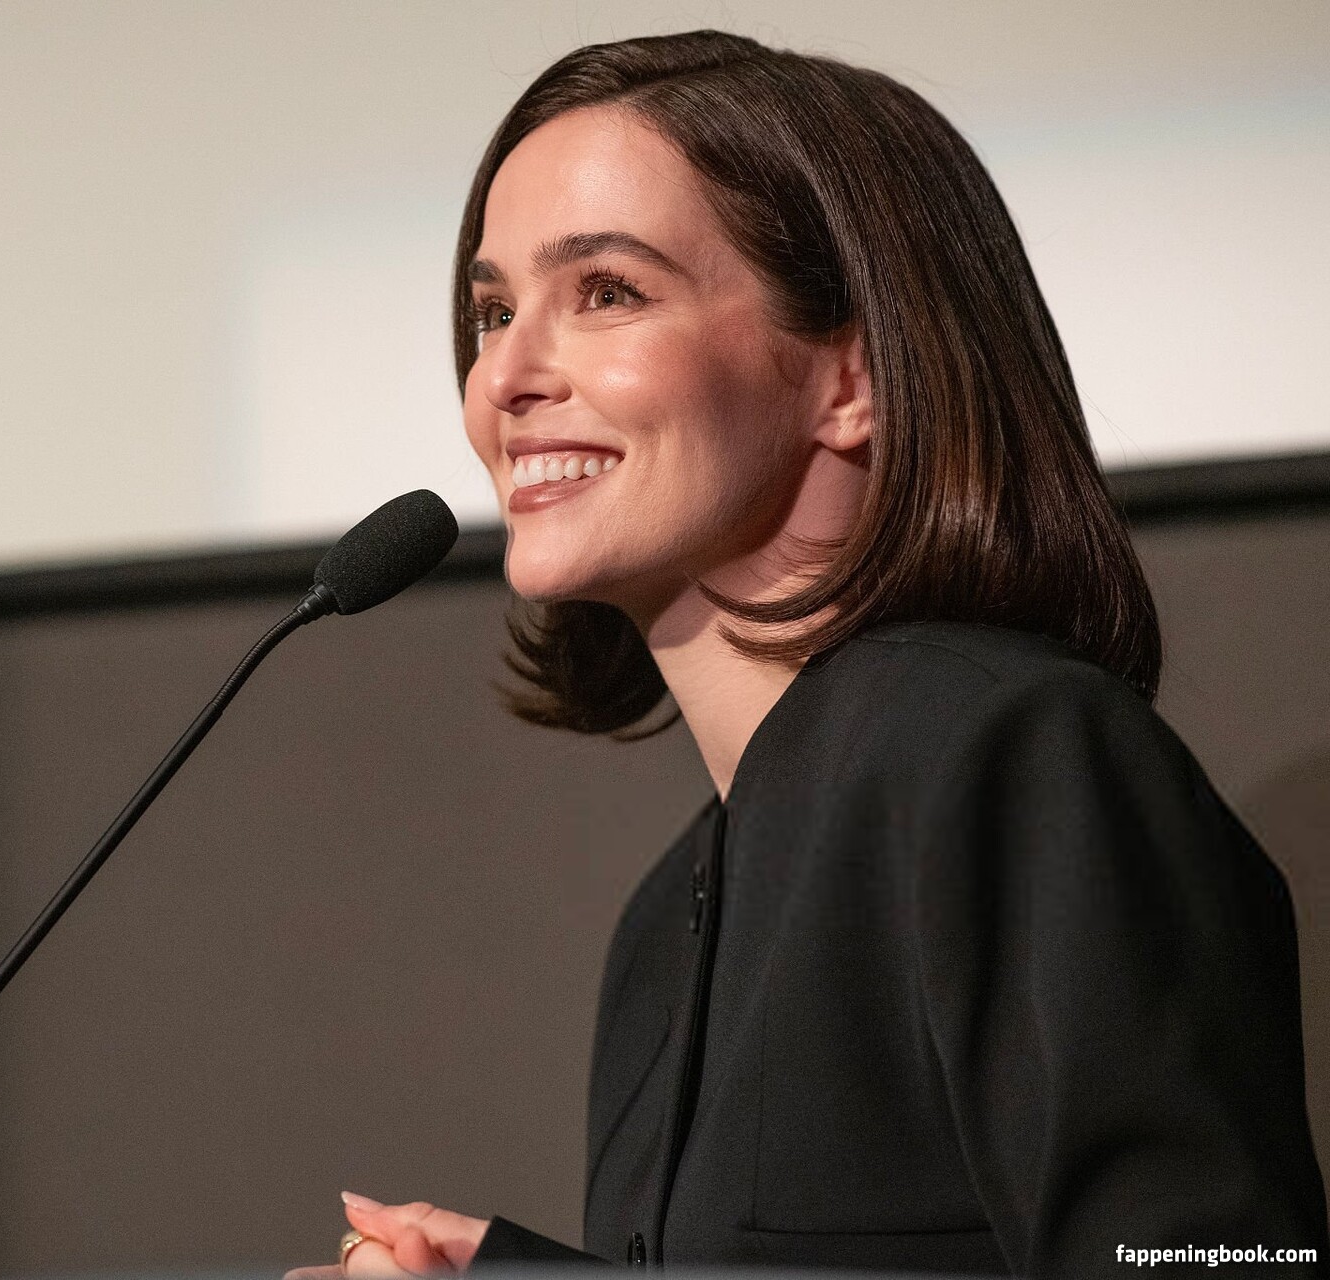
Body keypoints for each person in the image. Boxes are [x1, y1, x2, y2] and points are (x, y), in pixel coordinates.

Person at [285, 29, 1329, 1280]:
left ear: (851, 375)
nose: (501, 374)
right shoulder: (665, 920)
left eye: (607, 291)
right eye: (494, 311)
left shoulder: (1014, 757)